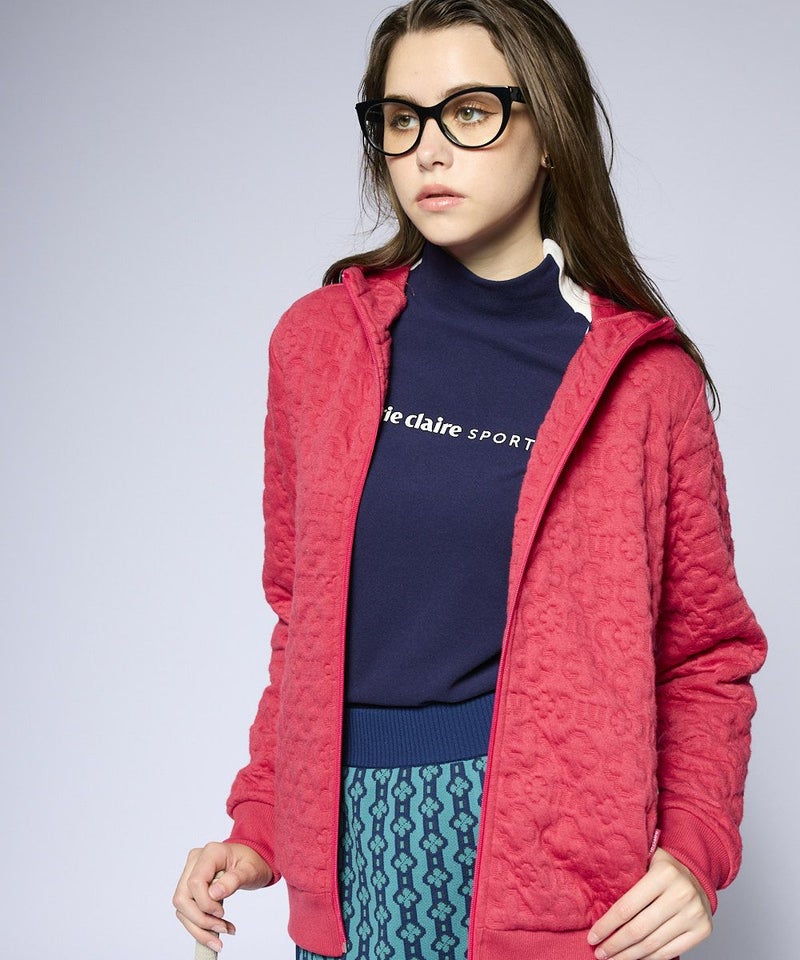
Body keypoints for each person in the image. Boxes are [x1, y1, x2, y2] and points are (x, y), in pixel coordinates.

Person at [173, 1, 767, 958]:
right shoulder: (319, 346)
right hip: (351, 856)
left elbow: (704, 654)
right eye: (402, 118)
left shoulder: (642, 382)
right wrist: (260, 825)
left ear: (550, 130)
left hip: (555, 869)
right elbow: (301, 618)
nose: (430, 150)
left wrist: (695, 849)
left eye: (470, 111)